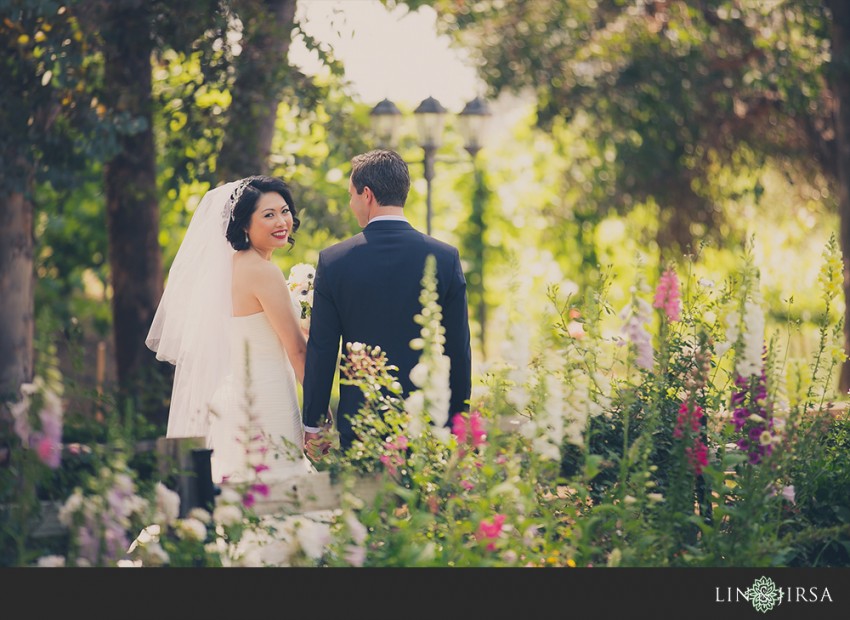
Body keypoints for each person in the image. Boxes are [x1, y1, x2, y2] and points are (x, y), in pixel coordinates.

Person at [301, 149, 472, 456]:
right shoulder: (445, 258)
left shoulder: (334, 261)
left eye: (351, 195)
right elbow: (457, 348)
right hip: (428, 418)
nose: (351, 203)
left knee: (369, 504)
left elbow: (323, 348)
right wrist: (460, 420)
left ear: (367, 195)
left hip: (361, 419)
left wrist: (313, 423)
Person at [146, 175, 314, 484]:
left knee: (242, 489)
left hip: (235, 394)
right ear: (244, 225)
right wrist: (317, 417)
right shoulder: (264, 272)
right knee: (274, 488)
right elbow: (296, 350)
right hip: (267, 399)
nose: (282, 221)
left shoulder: (233, 267)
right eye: (268, 214)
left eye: (284, 210)